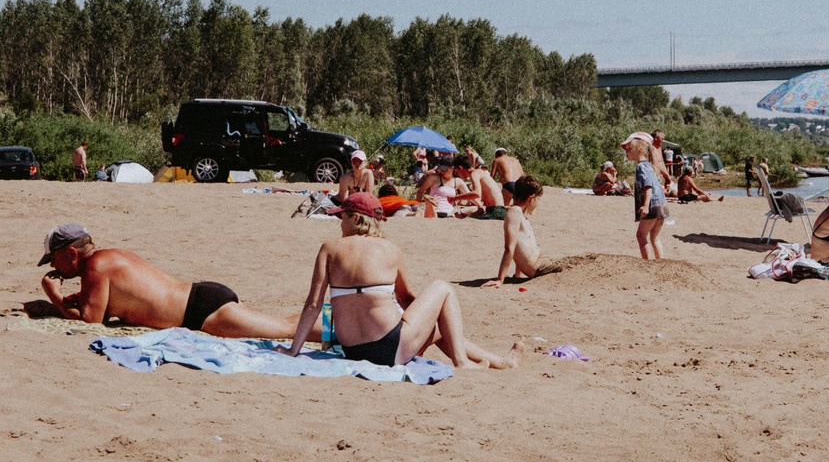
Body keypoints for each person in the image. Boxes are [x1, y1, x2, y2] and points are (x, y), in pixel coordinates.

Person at [279, 193, 522, 368]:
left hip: (352, 351)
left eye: (342, 217)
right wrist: (430, 317)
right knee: (442, 288)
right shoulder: (391, 249)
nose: (340, 223)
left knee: (438, 329)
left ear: (355, 218)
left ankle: (499, 362)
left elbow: (313, 304)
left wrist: (293, 350)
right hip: (390, 348)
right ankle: (462, 361)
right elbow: (406, 298)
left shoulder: (329, 248)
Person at [36, 223, 320, 339]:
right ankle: (339, 321)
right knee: (284, 323)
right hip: (200, 298)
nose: (53, 266)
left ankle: (345, 328)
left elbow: (91, 321)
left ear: (72, 253)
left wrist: (55, 296)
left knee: (286, 329)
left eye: (54, 259)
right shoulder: (108, 258)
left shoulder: (96, 268)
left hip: (201, 311)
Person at [483, 176, 553, 288]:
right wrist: (500, 280)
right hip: (539, 267)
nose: (537, 203)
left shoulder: (520, 214)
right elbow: (510, 247)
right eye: (538, 200)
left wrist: (517, 275)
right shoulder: (514, 212)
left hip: (541, 263)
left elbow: (521, 246)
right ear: (531, 198)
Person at [622, 132, 668, 260]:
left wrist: (646, 206)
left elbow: (648, 186)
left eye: (629, 149)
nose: (627, 153)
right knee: (655, 238)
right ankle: (660, 263)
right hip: (661, 205)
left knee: (641, 236)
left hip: (652, 206)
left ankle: (646, 265)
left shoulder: (641, 167)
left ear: (640, 150)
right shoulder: (649, 166)